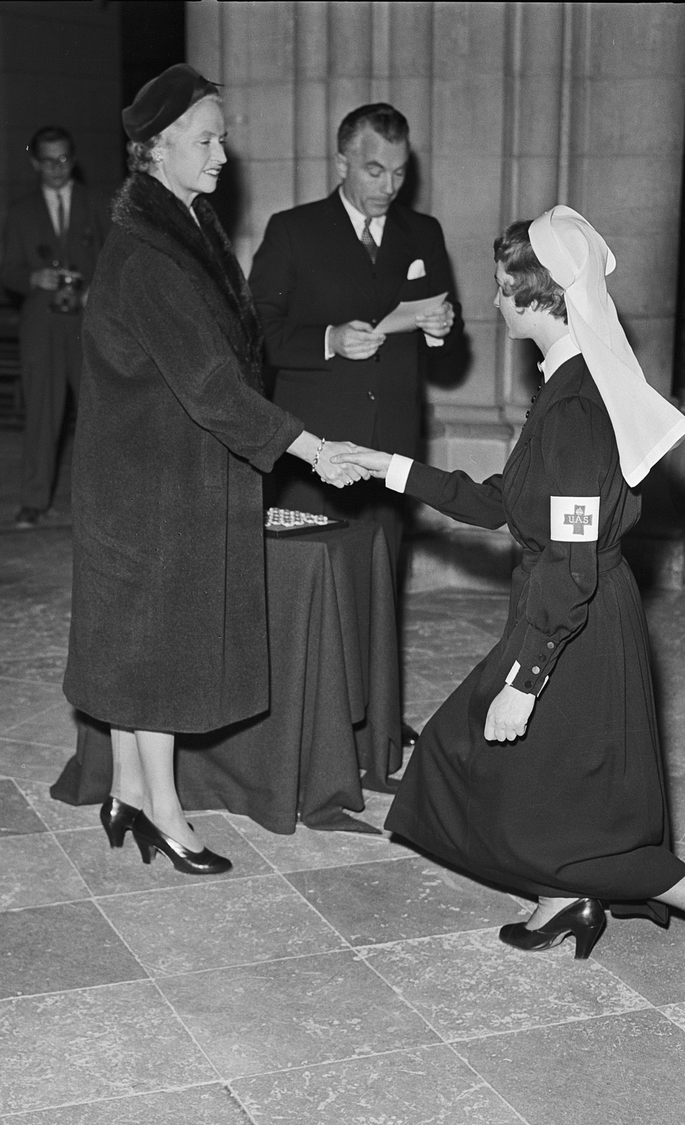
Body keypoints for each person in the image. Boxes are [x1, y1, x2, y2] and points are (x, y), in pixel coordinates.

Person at [341, 207, 685, 998]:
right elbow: (502, 504)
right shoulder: (569, 382)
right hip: (565, 610)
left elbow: (568, 561)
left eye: (502, 289)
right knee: (502, 767)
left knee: (557, 787)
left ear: (540, 298)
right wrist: (390, 467)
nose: (493, 303)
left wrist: (524, 681)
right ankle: (565, 899)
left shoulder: (574, 410)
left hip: (575, 623)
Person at [63, 65, 367, 877]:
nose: (223, 154)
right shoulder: (150, 255)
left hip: (153, 472)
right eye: (206, 138)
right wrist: (310, 448)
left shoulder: (179, 229)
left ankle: (127, 787)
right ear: (155, 151)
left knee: (135, 643)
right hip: (154, 483)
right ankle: (165, 814)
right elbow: (207, 385)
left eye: (221, 136)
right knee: (157, 649)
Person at [249, 103, 460, 746]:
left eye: (398, 172)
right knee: (312, 585)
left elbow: (446, 341)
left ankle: (374, 721)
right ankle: (303, 723)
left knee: (379, 584)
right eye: (374, 170)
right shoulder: (293, 231)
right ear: (342, 161)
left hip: (390, 445)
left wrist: (442, 331)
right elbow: (256, 333)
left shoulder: (421, 233)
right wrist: (329, 340)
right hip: (314, 446)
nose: (388, 186)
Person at [0, 126, 109, 528]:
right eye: (48, 161)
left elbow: (118, 258)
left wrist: (97, 289)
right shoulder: (21, 211)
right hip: (42, 327)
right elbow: (7, 272)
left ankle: (104, 503)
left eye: (64, 159)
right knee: (41, 415)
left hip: (88, 324)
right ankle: (33, 500)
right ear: (35, 164)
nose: (57, 168)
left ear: (73, 159)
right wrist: (33, 278)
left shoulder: (96, 202)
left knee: (99, 415)